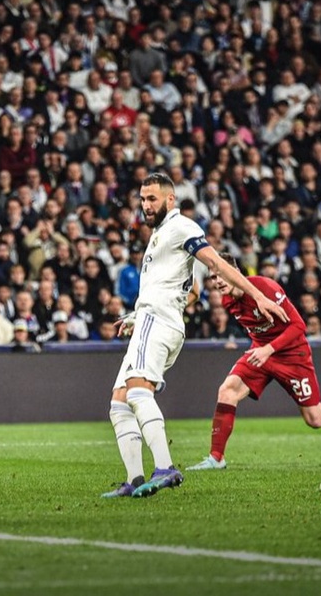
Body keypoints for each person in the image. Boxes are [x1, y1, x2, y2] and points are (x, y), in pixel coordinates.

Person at [103, 173, 289, 499]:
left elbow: (214, 262)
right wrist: (138, 315)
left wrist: (257, 295)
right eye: (142, 199)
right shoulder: (161, 233)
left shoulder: (181, 227)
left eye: (152, 199)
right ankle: (133, 480)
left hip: (157, 321)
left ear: (170, 199)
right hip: (153, 319)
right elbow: (193, 291)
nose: (146, 205)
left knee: (137, 393)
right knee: (119, 402)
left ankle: (165, 468)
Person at [187, 253, 321, 471]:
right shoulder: (228, 300)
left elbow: (298, 326)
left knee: (315, 419)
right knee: (227, 391)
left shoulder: (265, 288)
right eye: (213, 277)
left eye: (221, 275)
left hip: (292, 354)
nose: (217, 281)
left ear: (235, 272)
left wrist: (268, 349)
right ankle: (216, 458)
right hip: (261, 352)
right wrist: (262, 349)